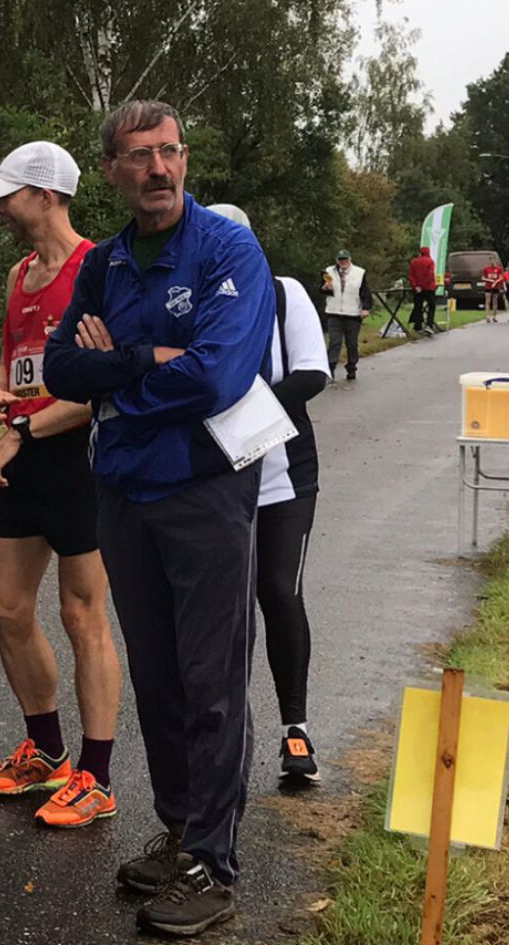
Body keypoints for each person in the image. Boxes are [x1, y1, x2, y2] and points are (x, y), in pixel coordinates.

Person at [43, 101, 275, 937]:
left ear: (185, 156)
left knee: (213, 680)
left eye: (170, 151)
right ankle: (179, 831)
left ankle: (215, 860)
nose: (159, 169)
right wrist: (141, 361)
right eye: (139, 156)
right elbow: (63, 363)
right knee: (157, 675)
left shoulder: (227, 249)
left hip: (204, 488)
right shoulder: (104, 264)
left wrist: (116, 373)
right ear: (110, 169)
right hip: (125, 488)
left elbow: (218, 375)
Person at [0, 141, 121, 828]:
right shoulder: (20, 272)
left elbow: (99, 388)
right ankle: (48, 750)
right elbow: (9, 363)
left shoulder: (100, 268)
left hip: (78, 460)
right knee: (6, 606)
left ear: (49, 196)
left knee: (83, 614)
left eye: (10, 194)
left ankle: (97, 775)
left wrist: (15, 436)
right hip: (23, 453)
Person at [208, 203, 330, 786]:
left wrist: (237, 411)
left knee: (279, 592)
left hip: (284, 475)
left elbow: (312, 374)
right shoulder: (197, 297)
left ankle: (296, 728)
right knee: (221, 609)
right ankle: (225, 737)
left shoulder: (285, 293)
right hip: (210, 478)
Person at [321, 249, 370, 380]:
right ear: (337, 261)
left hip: (352, 313)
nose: (343, 262)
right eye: (341, 260)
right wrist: (326, 288)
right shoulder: (329, 271)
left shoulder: (359, 273)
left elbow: (365, 292)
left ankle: (352, 367)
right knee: (334, 342)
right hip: (334, 312)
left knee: (352, 343)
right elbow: (324, 289)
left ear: (350, 260)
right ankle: (330, 368)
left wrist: (366, 308)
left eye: (345, 260)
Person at [408, 246, 438, 335]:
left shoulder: (414, 262)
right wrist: (423, 285)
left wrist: (416, 286)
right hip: (428, 287)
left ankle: (418, 326)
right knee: (431, 306)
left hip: (417, 289)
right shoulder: (430, 262)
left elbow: (411, 275)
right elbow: (430, 275)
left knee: (418, 306)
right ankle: (429, 325)